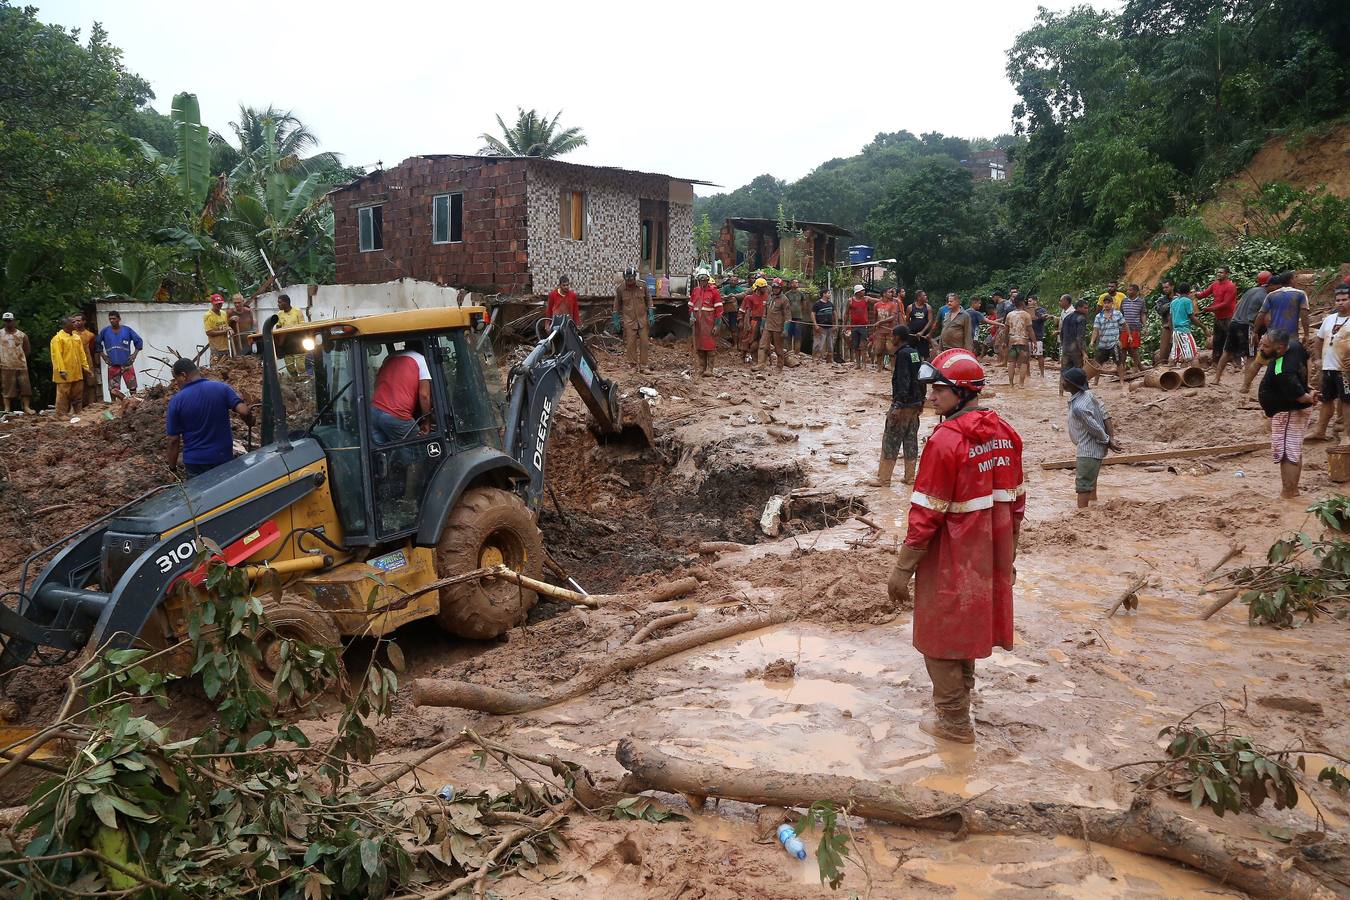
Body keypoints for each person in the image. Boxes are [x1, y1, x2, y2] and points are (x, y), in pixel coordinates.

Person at [886, 348, 1025, 744]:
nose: (930, 396)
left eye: (939, 390)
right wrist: (1009, 556)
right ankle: (962, 699)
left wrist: (902, 568)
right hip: (991, 551)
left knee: (940, 635)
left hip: (951, 554)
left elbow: (927, 511)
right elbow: (1016, 503)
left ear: (961, 393)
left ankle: (954, 723)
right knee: (968, 625)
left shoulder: (946, 441)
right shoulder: (1006, 433)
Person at [165, 358, 254, 478]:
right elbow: (244, 411)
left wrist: (172, 468)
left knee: (201, 496)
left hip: (195, 464)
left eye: (176, 379)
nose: (177, 384)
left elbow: (173, 440)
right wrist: (249, 420)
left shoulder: (176, 402)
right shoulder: (221, 388)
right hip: (222, 457)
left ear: (183, 375)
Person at [1257, 329, 1317, 499]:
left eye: (1266, 346)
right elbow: (1307, 359)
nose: (1261, 348)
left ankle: (1288, 493)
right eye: (1262, 343)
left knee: (1287, 453)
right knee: (1294, 448)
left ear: (1280, 347)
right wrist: (1307, 384)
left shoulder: (1283, 370)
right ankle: (1293, 491)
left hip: (1289, 413)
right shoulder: (1295, 346)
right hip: (1289, 411)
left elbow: (1301, 398)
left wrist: (1309, 394)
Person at [871, 325, 925, 487]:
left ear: (898, 338)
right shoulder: (915, 353)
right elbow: (920, 378)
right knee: (910, 440)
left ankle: (884, 479)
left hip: (903, 404)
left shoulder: (901, 355)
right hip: (915, 404)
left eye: (892, 336)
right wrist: (921, 401)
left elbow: (904, 379)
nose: (891, 339)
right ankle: (910, 477)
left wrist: (898, 405)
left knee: (891, 439)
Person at [1062, 367, 1121, 508]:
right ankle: (1093, 504)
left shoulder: (1079, 407)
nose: (1062, 383)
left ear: (1073, 385)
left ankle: (1082, 513)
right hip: (1096, 447)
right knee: (1091, 479)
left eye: (1065, 381)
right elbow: (1105, 413)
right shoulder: (1088, 395)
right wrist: (1111, 437)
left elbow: (1094, 428)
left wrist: (1107, 440)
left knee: (1083, 484)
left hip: (1088, 449)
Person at [1308, 283, 1350, 442]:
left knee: (1347, 402)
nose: (1340, 302)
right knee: (1326, 400)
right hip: (1328, 367)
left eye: (1344, 299)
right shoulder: (1329, 319)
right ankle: (1320, 430)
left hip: (1346, 370)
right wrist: (1318, 359)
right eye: (1338, 300)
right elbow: (1318, 340)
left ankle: (1348, 435)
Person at [370, 347, 432, 444]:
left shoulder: (389, 357)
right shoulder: (420, 359)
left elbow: (376, 384)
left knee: (382, 452)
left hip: (374, 412)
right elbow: (424, 395)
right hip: (397, 415)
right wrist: (427, 421)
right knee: (418, 449)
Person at [1224, 270, 1270, 385]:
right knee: (1251, 355)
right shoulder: (1265, 295)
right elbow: (1263, 315)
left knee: (1227, 352)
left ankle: (1217, 378)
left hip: (1234, 322)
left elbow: (1238, 304)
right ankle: (1246, 383)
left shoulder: (1250, 291)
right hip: (1247, 325)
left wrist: (1234, 317)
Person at [1196, 266, 1238, 374]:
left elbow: (1226, 304)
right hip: (1218, 317)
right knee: (1217, 341)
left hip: (1229, 317)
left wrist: (1209, 309)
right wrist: (1195, 294)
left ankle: (1236, 364)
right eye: (1218, 272)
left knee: (1231, 340)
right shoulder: (1215, 284)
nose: (1218, 274)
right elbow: (1203, 294)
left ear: (1227, 274)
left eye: (1221, 272)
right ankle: (1215, 364)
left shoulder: (1230, 286)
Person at [95, 311, 143, 399]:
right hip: (113, 365)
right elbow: (97, 343)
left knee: (132, 387)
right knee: (113, 389)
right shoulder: (105, 331)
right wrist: (104, 356)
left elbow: (138, 341)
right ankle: (114, 405)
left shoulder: (127, 330)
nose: (112, 320)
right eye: (110, 319)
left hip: (127, 364)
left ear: (119, 319)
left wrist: (134, 355)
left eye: (114, 318)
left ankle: (134, 403)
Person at [614, 267, 652, 372]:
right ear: (624, 278)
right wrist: (616, 319)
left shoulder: (642, 285)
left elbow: (649, 299)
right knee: (631, 343)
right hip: (629, 320)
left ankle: (644, 366)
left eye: (631, 279)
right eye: (627, 279)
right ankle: (633, 365)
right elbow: (616, 305)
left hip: (642, 319)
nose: (630, 281)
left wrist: (651, 313)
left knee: (644, 342)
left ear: (635, 277)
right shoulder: (620, 289)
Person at [50, 316, 89, 417]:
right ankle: (61, 414)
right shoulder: (57, 339)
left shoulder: (76, 337)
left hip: (76, 371)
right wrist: (61, 370)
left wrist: (85, 367)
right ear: (66, 325)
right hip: (64, 372)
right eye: (72, 322)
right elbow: (57, 356)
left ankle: (78, 413)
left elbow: (81, 353)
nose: (75, 324)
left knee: (77, 393)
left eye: (76, 321)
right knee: (63, 394)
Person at [688, 269, 722, 378]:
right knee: (700, 346)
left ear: (708, 280)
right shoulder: (696, 291)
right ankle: (702, 367)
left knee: (710, 346)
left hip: (709, 323)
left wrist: (717, 325)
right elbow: (691, 306)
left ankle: (710, 369)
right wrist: (692, 316)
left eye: (704, 280)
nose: (702, 282)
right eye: (700, 280)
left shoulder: (714, 292)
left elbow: (719, 310)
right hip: (698, 323)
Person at [1090, 297, 1127, 393]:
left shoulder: (1118, 314)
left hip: (1114, 342)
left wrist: (1123, 338)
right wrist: (1092, 341)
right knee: (1098, 363)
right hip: (1102, 343)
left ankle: (1121, 381)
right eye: (1105, 303)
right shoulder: (1099, 316)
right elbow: (1095, 330)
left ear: (1112, 303)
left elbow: (1124, 325)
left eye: (1108, 303)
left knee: (1119, 362)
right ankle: (1095, 381)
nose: (1106, 305)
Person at [0, 313, 33, 414]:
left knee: (25, 387)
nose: (8, 322)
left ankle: (27, 407)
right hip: (5, 364)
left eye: (9, 320)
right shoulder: (0, 333)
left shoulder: (22, 335)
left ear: (14, 321)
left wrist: (20, 358)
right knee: (7, 387)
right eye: (6, 320)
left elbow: (27, 350)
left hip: (21, 365)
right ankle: (7, 408)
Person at [1059, 299, 1089, 394]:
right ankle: (1085, 393)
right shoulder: (1081, 318)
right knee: (1080, 372)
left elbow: (1061, 333)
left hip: (1066, 349)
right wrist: (1084, 352)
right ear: (1079, 308)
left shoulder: (1067, 317)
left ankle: (1060, 393)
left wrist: (1063, 345)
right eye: (1085, 308)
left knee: (1064, 371)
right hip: (1076, 351)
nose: (1087, 310)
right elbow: (1080, 337)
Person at [274, 294, 307, 376]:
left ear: (286, 302)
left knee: (301, 366)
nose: (278, 304)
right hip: (286, 344)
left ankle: (303, 380)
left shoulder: (297, 312)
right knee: (290, 368)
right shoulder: (279, 314)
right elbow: (278, 327)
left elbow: (303, 326)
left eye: (280, 302)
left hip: (298, 343)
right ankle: (295, 381)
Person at [1004, 297, 1033, 388]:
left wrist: (1005, 341)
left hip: (1012, 342)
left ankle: (1011, 384)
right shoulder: (1026, 315)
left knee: (1011, 362)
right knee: (1024, 363)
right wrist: (1034, 342)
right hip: (1023, 342)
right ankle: (1021, 384)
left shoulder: (1009, 315)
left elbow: (1006, 330)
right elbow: (1030, 330)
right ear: (1022, 303)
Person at [1169, 283, 1201, 364]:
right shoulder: (1187, 301)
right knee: (1194, 356)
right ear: (1189, 292)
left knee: (1173, 356)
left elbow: (1171, 318)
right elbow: (1192, 317)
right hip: (1184, 331)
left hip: (1176, 331)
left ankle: (1167, 373)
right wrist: (1204, 327)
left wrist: (1172, 332)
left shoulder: (1174, 302)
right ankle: (1198, 376)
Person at [1118, 284, 1147, 374]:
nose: (1128, 291)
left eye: (1130, 290)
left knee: (1134, 348)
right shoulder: (1124, 301)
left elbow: (1143, 314)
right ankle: (1122, 367)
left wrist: (1145, 326)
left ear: (1135, 291)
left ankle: (1135, 367)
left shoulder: (1141, 302)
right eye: (1128, 290)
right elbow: (1121, 314)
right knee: (1123, 348)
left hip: (1135, 328)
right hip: (1124, 329)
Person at [739, 278, 768, 364]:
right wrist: (747, 323)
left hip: (763, 320)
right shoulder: (750, 298)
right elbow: (747, 311)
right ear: (758, 287)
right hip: (754, 321)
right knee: (748, 338)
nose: (766, 289)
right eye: (764, 287)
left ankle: (756, 358)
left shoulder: (766, 296)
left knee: (759, 340)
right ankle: (742, 356)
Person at [872, 288, 901, 369]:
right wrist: (874, 331)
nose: (891, 294)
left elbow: (893, 317)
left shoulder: (893, 304)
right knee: (878, 351)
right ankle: (879, 368)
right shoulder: (876, 305)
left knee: (892, 351)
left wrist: (880, 322)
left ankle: (893, 368)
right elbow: (875, 318)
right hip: (879, 332)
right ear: (884, 294)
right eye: (889, 292)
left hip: (890, 331)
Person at [74, 314, 99, 406]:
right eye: (75, 321)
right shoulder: (71, 334)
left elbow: (93, 350)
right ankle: (77, 405)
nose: (76, 323)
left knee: (90, 383)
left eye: (79, 321)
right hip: (75, 362)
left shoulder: (90, 335)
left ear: (84, 321)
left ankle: (91, 403)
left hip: (88, 361)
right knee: (77, 384)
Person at [204, 294, 231, 365]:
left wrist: (229, 329)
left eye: (220, 303)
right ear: (212, 303)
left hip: (225, 347)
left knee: (227, 368)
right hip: (216, 349)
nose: (219, 305)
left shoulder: (224, 313)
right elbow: (209, 332)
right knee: (215, 370)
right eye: (217, 304)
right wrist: (223, 332)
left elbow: (226, 326)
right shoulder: (208, 315)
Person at [847, 286, 870, 368]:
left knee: (863, 346)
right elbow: (846, 313)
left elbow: (878, 301)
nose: (864, 292)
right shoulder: (850, 301)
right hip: (854, 326)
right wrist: (846, 326)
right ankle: (858, 364)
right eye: (862, 290)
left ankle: (864, 364)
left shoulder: (866, 299)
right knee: (855, 346)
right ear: (858, 292)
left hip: (863, 326)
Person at [1153, 281, 1176, 365]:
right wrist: (1171, 303)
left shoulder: (1179, 297)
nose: (1164, 289)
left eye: (1166, 287)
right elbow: (1160, 311)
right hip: (1166, 327)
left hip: (1178, 327)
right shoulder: (1161, 300)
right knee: (1165, 351)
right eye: (1163, 288)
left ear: (1172, 287)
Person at [906, 290, 934, 358]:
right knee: (913, 353)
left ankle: (923, 367)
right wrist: (909, 330)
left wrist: (922, 332)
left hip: (923, 335)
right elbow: (907, 321)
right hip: (913, 335)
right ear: (919, 297)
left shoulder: (928, 307)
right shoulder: (910, 307)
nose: (926, 297)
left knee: (924, 354)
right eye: (924, 295)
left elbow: (930, 321)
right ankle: (915, 366)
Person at [785, 278, 808, 353]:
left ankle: (797, 352)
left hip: (798, 317)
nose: (796, 284)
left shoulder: (801, 294)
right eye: (795, 283)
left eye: (797, 283)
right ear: (791, 284)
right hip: (789, 317)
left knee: (797, 335)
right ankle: (789, 351)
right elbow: (785, 305)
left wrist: (801, 312)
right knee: (789, 335)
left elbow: (804, 304)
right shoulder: (787, 294)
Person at [810, 290, 834, 361]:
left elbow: (834, 313)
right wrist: (815, 325)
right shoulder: (817, 304)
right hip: (820, 327)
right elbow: (812, 314)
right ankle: (815, 358)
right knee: (818, 344)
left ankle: (830, 359)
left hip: (829, 327)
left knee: (830, 345)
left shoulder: (830, 304)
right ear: (824, 294)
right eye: (828, 293)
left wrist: (835, 324)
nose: (830, 295)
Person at [1029, 295, 1047, 377]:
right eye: (1028, 301)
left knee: (1039, 355)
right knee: (1026, 356)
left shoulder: (1041, 310)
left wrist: (1037, 316)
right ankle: (1027, 374)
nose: (1028, 303)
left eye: (1030, 301)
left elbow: (1044, 318)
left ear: (1035, 301)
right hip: (1028, 336)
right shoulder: (1027, 310)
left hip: (1038, 335)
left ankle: (1042, 374)